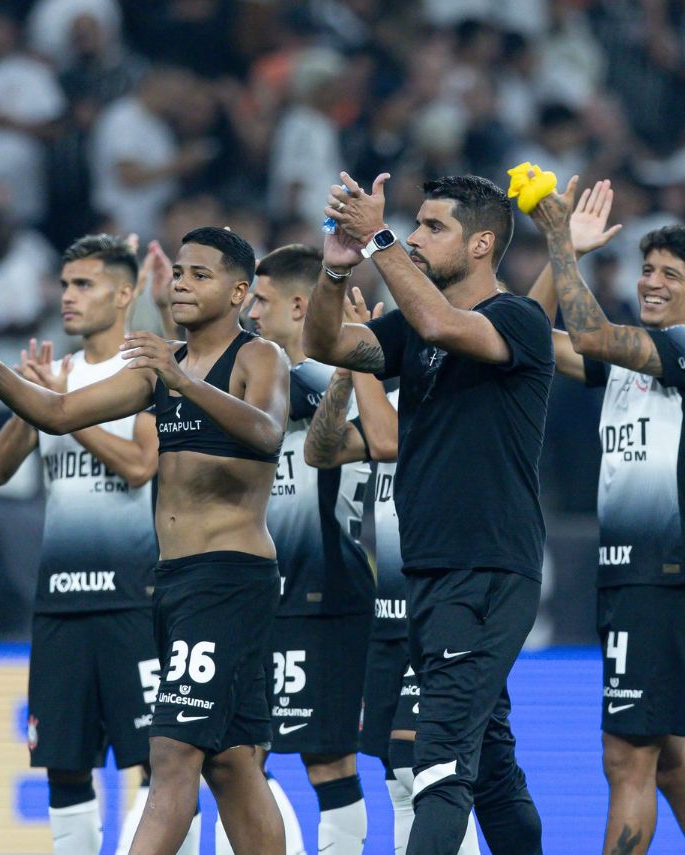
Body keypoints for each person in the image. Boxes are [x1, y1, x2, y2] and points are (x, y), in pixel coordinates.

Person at [0, 226, 290, 855]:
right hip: (175, 581)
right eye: (178, 272)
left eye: (200, 274)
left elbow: (267, 432)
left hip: (228, 577)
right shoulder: (162, 366)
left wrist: (181, 381)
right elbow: (58, 413)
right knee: (233, 762)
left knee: (172, 754)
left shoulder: (257, 357)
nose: (181, 283)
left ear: (240, 292)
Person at [303, 171, 548, 855]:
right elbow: (326, 345)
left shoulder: (518, 319)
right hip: (433, 572)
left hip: (486, 571)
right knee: (490, 771)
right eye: (415, 225)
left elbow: (440, 321)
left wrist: (377, 239)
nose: (414, 237)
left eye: (433, 227)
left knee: (436, 766)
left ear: (482, 244)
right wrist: (334, 270)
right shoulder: (415, 331)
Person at [526, 178, 685, 855]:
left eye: (670, 274)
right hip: (628, 579)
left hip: (664, 575)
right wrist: (561, 255)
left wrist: (560, 242)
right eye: (647, 269)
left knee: (626, 757)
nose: (651, 282)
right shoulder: (628, 361)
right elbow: (533, 338)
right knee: (673, 761)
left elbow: (590, 333)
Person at [0, 234, 200, 855]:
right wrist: (34, 403)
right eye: (65, 285)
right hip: (60, 605)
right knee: (64, 767)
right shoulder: (57, 377)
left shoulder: (144, 372)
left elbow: (139, 466)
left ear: (125, 294)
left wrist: (62, 412)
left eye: (84, 284)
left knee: (159, 762)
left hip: (134, 599)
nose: (68, 297)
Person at [217, 244, 384, 855]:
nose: (252, 313)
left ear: (298, 306)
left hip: (324, 595)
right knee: (236, 759)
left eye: (261, 301)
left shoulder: (333, 378)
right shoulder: (259, 376)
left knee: (328, 761)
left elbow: (370, 435)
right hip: (257, 596)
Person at [306, 288, 482, 855]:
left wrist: (360, 360)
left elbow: (385, 441)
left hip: (439, 611)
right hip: (386, 616)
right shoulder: (384, 398)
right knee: (397, 777)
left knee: (418, 764)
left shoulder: (456, 399)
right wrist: (344, 370)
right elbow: (321, 452)